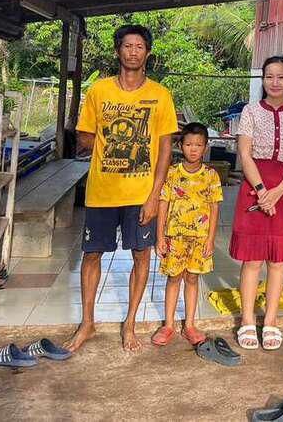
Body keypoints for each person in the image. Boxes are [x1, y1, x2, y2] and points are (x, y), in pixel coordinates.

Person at [66, 24, 178, 353]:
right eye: (127, 46)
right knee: (91, 254)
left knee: (141, 255)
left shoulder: (160, 95)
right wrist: (109, 139)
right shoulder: (99, 91)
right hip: (102, 191)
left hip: (141, 194)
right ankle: (87, 323)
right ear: (118, 51)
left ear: (148, 53)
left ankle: (129, 323)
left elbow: (165, 150)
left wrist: (155, 195)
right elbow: (84, 136)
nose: (133, 52)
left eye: (139, 46)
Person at [230, 55, 283, 351]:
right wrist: (262, 191)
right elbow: (245, 153)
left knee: (278, 261)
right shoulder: (250, 111)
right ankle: (247, 320)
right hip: (255, 187)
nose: (274, 82)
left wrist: (278, 192)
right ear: (262, 80)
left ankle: (271, 321)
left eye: (281, 77)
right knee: (252, 259)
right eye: (269, 76)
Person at [152, 122, 222, 347]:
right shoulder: (172, 173)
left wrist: (210, 239)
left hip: (200, 239)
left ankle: (190, 325)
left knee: (192, 278)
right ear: (180, 145)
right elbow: (163, 204)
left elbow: (214, 207)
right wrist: (160, 237)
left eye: (198, 145)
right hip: (175, 238)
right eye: (189, 144)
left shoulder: (211, 175)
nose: (193, 149)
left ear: (205, 147)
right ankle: (168, 325)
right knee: (174, 278)